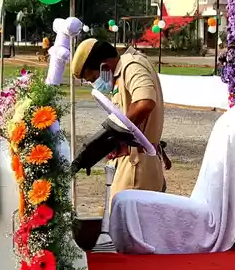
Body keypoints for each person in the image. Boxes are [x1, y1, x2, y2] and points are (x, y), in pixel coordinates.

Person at [71, 39, 166, 198]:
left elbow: (145, 103)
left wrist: (109, 137)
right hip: (133, 163)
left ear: (104, 66)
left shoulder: (131, 65)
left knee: (122, 213)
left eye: (93, 78)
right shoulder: (122, 72)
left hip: (135, 166)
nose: (95, 84)